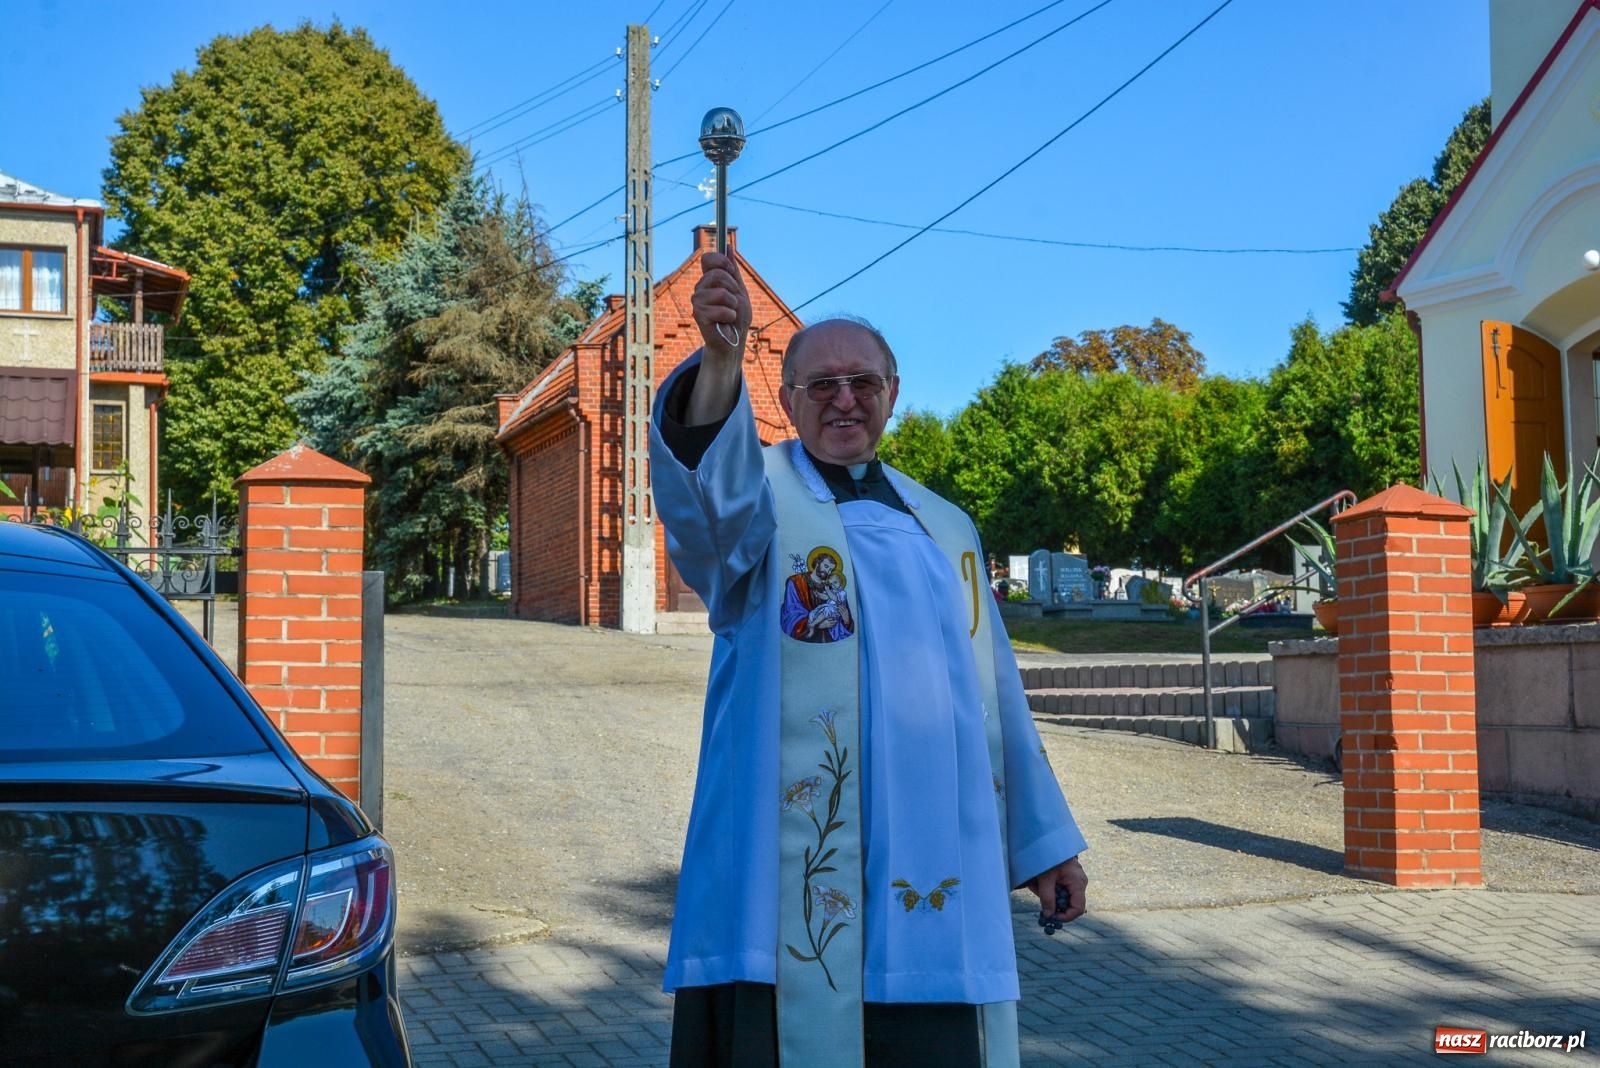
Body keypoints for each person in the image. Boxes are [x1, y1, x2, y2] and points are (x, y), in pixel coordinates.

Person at [648, 251, 1088, 1068]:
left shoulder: (947, 527)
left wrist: (1043, 845)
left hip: (936, 853)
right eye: (821, 386)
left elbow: (996, 699)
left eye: (863, 383)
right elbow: (704, 515)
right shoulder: (760, 503)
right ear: (785, 400)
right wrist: (718, 363)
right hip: (793, 867)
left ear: (892, 393)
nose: (843, 401)